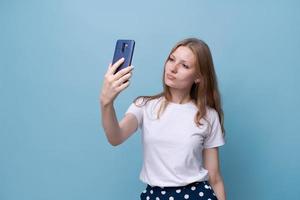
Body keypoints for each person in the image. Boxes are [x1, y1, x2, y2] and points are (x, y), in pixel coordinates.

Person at [100, 38, 226, 200]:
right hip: (155, 195)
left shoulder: (208, 115)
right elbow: (115, 137)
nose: (173, 68)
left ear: (198, 77)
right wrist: (106, 103)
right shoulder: (144, 106)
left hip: (197, 195)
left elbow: (215, 178)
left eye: (184, 65)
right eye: (171, 59)